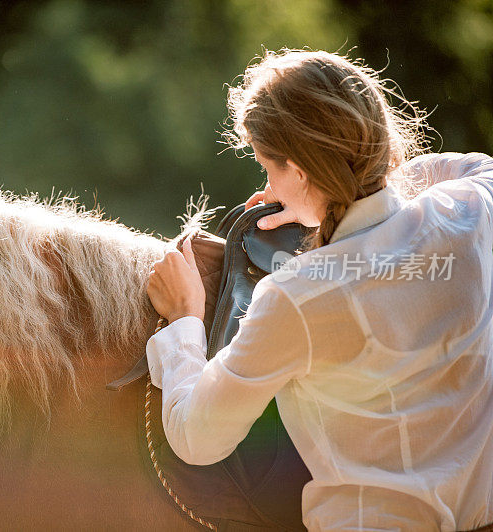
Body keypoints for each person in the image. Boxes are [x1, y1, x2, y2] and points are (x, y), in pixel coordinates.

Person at [146, 49, 493, 531]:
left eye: (270, 170)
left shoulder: (298, 296)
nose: (268, 188)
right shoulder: (471, 213)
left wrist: (185, 319)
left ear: (300, 168)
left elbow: (196, 439)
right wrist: (331, 192)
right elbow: (474, 165)